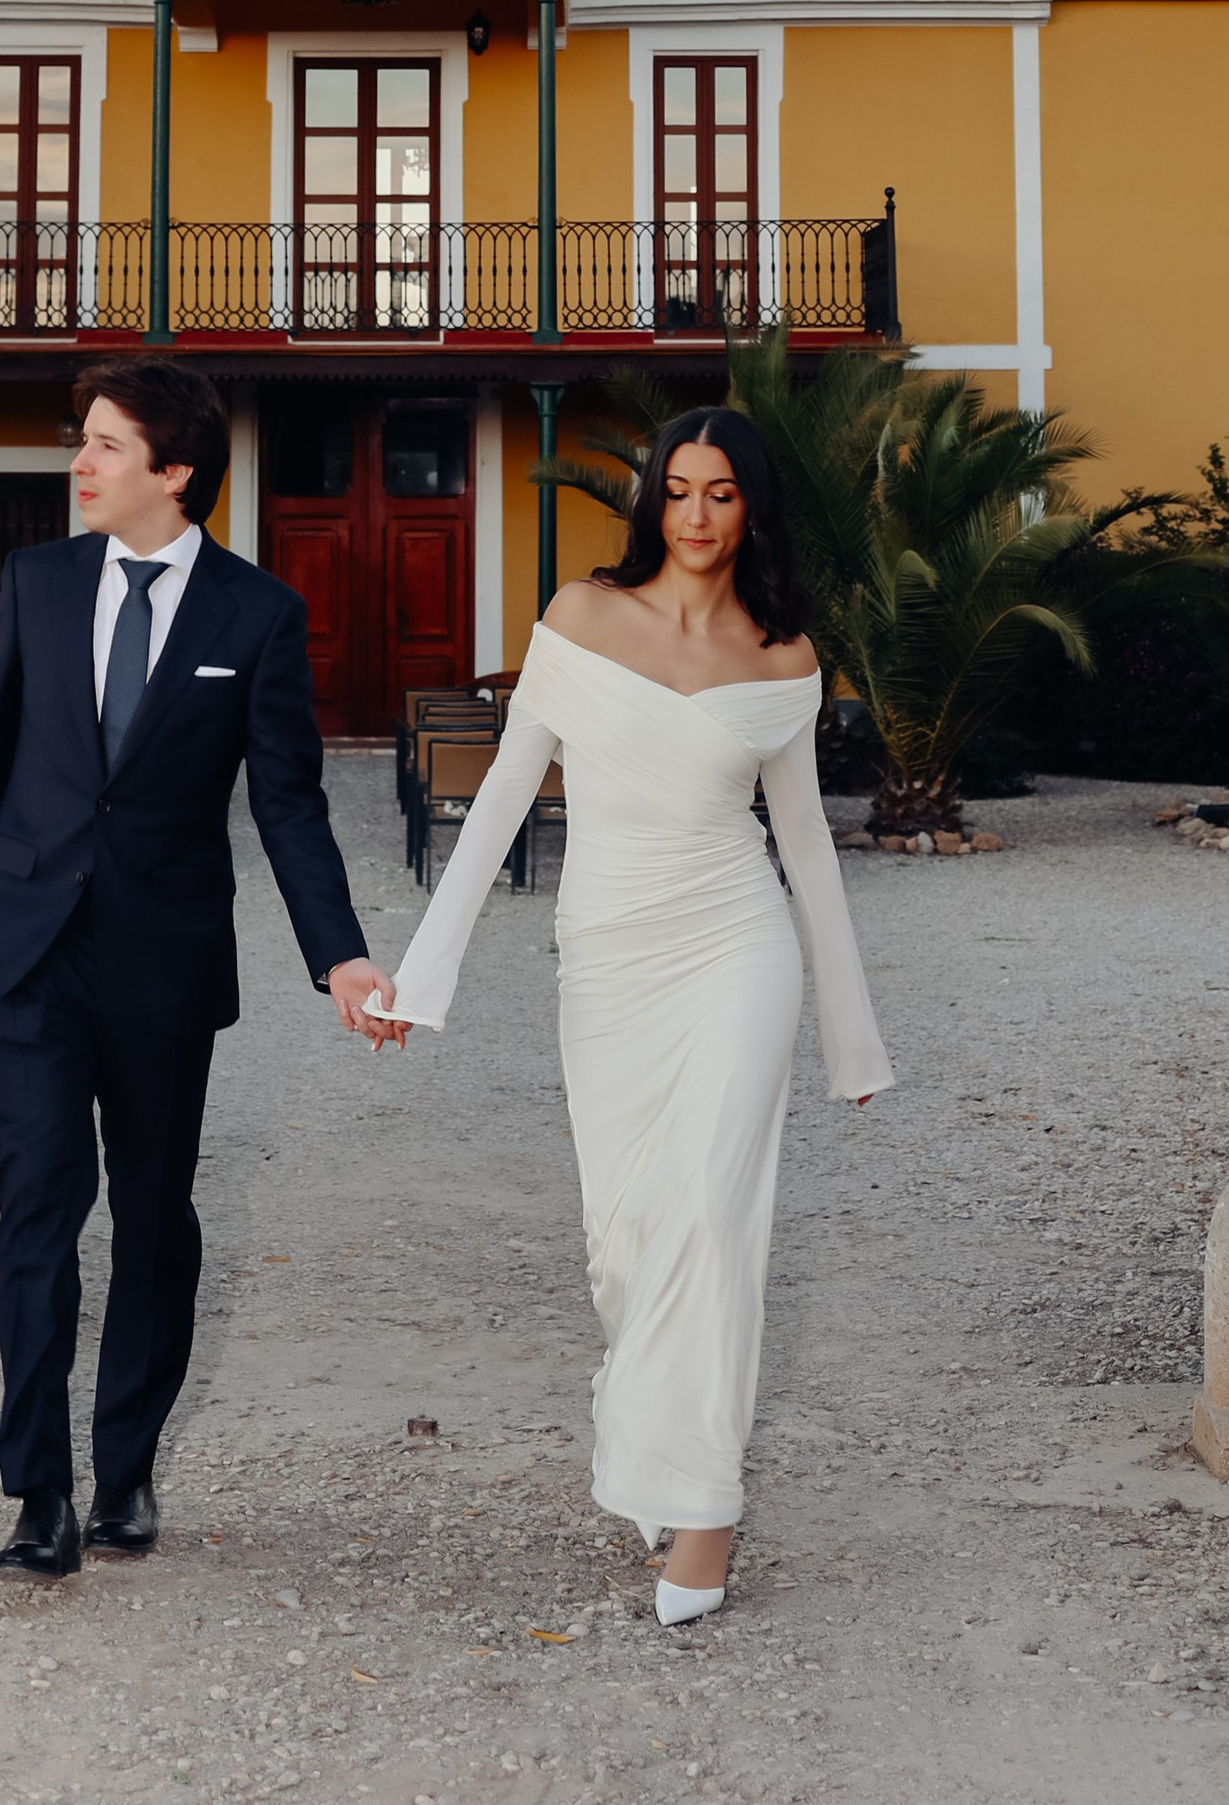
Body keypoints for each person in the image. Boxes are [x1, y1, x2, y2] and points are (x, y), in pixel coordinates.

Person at [368, 407, 890, 1626]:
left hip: (736, 946)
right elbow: (501, 798)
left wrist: (851, 1036)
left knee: (712, 1214)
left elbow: (806, 848)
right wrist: (420, 978)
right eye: (678, 492)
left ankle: (705, 1515)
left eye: (721, 495)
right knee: (626, 1242)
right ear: (651, 502)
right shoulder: (579, 617)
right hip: (604, 955)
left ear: (751, 508)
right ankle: (655, 1425)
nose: (697, 517)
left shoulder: (785, 657)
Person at [0, 359, 397, 1580]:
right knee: (37, 1209)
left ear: (174, 473)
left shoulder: (256, 616)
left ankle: (124, 1466)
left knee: (154, 1221)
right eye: (84, 441)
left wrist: (338, 954)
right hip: (27, 952)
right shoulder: (33, 580)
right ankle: (38, 1493)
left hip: (164, 963)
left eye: (108, 446)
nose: (81, 463)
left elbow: (288, 806)